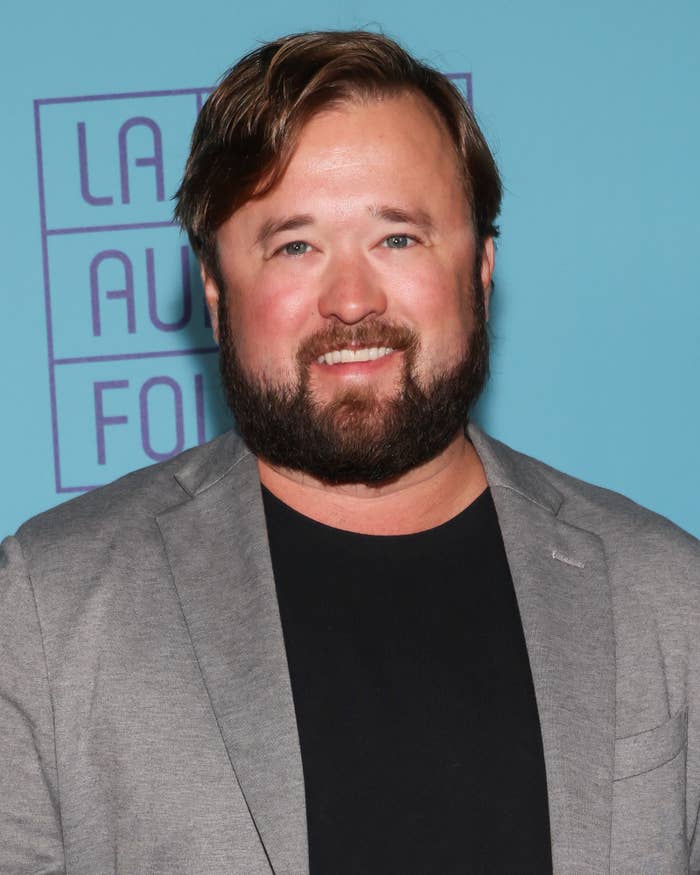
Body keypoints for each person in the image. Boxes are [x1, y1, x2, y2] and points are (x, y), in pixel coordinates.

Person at [1, 30, 698, 875]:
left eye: (397, 237)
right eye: (295, 245)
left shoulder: (665, 593)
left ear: (481, 267)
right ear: (215, 294)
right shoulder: (47, 609)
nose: (352, 298)